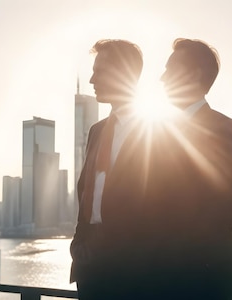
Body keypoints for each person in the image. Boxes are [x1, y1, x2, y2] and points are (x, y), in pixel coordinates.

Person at [142, 38, 232, 299]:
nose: (162, 78)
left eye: (169, 69)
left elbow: (222, 205)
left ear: (195, 74)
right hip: (157, 277)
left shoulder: (223, 128)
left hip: (200, 279)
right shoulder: (157, 129)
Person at [69, 39, 148, 300]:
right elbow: (85, 192)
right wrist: (79, 245)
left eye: (99, 70)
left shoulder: (158, 132)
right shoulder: (97, 130)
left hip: (133, 269)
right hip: (90, 267)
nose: (92, 79)